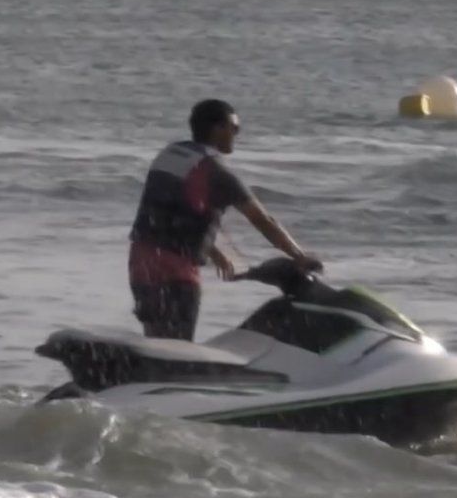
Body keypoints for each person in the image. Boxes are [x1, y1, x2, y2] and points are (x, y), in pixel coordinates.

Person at [128, 99, 321, 341]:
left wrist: (214, 252)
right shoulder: (216, 171)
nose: (236, 134)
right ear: (218, 128)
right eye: (234, 128)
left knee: (157, 340)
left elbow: (172, 212)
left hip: (141, 262)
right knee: (178, 345)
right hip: (174, 269)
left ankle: (138, 377)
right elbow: (263, 220)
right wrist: (299, 256)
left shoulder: (170, 154)